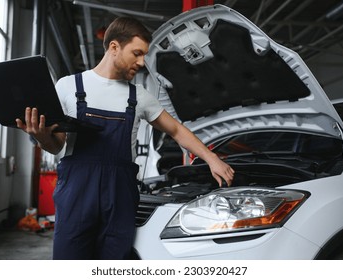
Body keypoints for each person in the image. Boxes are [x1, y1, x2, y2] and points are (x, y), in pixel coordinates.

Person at [16, 16, 234, 260]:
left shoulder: (139, 96)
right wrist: (42, 137)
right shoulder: (68, 86)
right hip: (77, 192)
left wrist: (211, 157)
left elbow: (175, 129)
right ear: (114, 47)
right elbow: (57, 146)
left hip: (119, 195)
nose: (141, 63)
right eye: (137, 53)